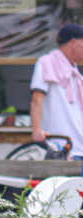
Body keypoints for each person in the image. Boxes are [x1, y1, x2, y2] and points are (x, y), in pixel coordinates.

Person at [29, 23, 83, 153]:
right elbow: (37, 99)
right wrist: (36, 131)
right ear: (73, 42)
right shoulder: (46, 62)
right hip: (59, 144)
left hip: (79, 143)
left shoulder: (76, 73)